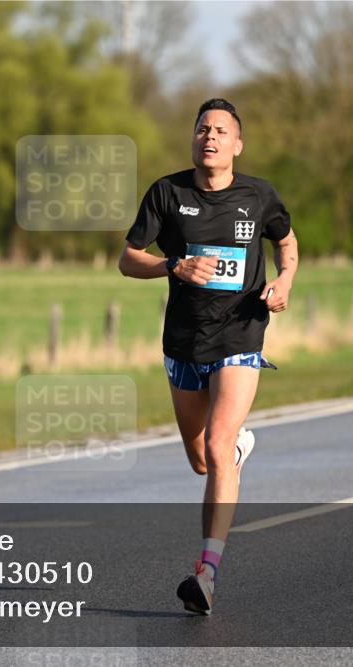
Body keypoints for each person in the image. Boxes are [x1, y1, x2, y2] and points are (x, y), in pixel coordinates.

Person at [117, 98, 299, 615]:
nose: (210, 136)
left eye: (220, 130)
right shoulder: (167, 192)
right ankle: (235, 454)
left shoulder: (259, 196)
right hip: (183, 342)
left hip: (241, 334)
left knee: (217, 447)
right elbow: (127, 260)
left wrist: (285, 280)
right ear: (193, 140)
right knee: (202, 460)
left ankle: (207, 573)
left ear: (237, 144)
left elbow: (287, 243)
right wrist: (173, 265)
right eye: (202, 129)